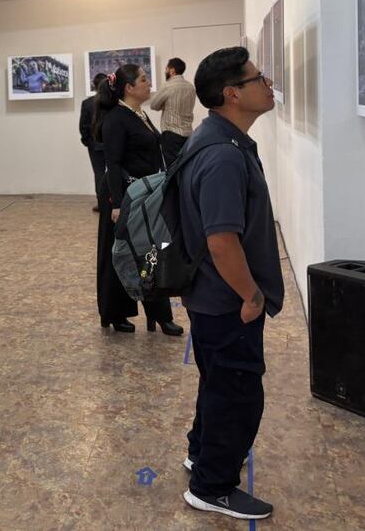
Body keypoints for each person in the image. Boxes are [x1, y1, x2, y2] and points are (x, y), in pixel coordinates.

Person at [178, 47, 282, 520]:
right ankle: (212, 486)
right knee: (238, 392)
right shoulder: (222, 155)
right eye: (259, 77)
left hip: (210, 296)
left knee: (218, 382)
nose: (268, 83)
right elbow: (221, 242)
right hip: (226, 300)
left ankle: (202, 453)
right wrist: (251, 295)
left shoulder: (216, 138)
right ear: (233, 94)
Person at [93, 65, 183, 336]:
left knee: (152, 251)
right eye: (143, 80)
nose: (149, 83)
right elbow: (113, 163)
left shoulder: (138, 114)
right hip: (124, 196)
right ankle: (115, 313)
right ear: (129, 88)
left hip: (145, 193)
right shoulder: (115, 119)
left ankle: (159, 314)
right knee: (121, 253)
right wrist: (117, 204)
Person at [150, 57, 197, 165]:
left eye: (166, 68)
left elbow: (154, 105)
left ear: (172, 70)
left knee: (173, 168)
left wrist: (164, 106)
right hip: (188, 133)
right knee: (186, 166)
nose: (165, 71)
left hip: (171, 134)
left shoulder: (168, 86)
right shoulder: (190, 87)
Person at [79, 73, 108, 213]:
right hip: (113, 144)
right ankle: (116, 200)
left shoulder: (87, 103)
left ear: (94, 86)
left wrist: (88, 142)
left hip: (95, 145)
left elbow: (83, 126)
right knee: (115, 172)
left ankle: (102, 203)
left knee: (99, 174)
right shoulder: (113, 102)